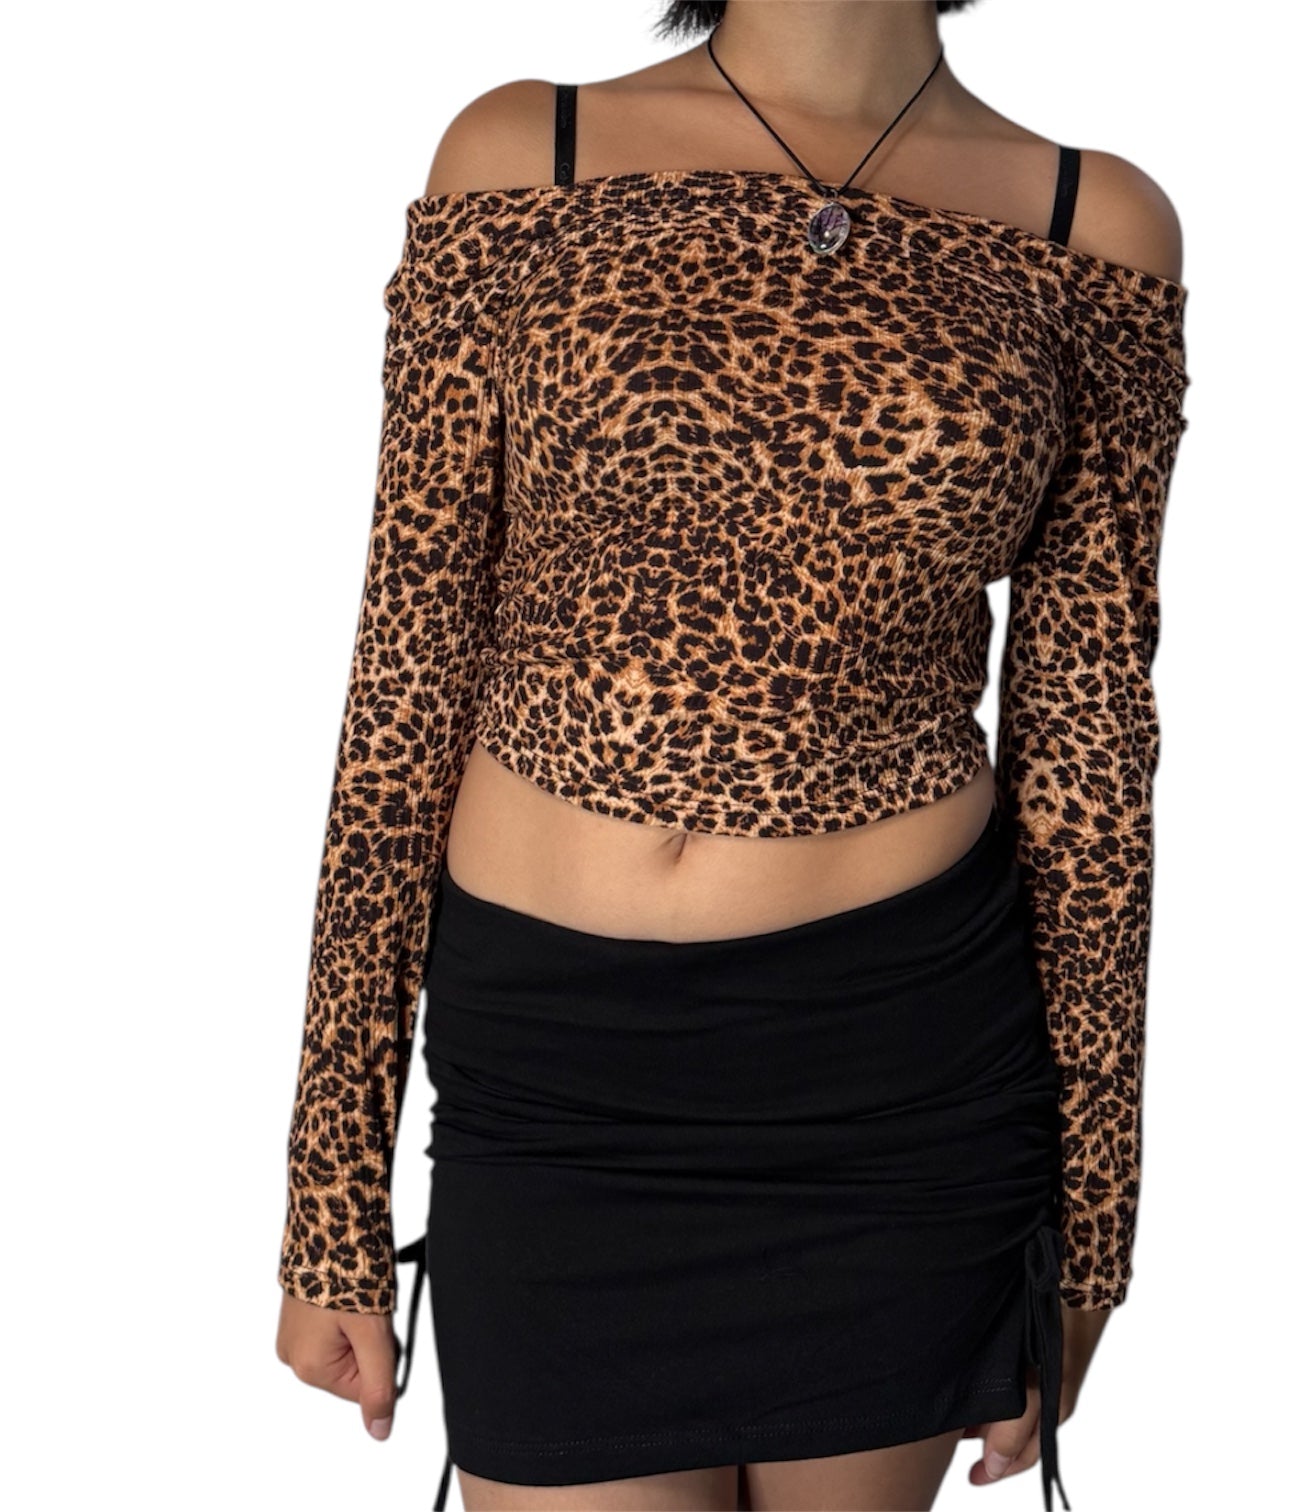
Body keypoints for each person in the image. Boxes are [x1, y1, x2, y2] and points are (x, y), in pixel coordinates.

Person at [273, 2, 1189, 1509]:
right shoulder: (527, 155)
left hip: (901, 1084)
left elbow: (1090, 761)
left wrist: (1092, 1241)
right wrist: (330, 1193)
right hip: (555, 1085)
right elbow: (404, 685)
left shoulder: (1094, 226)